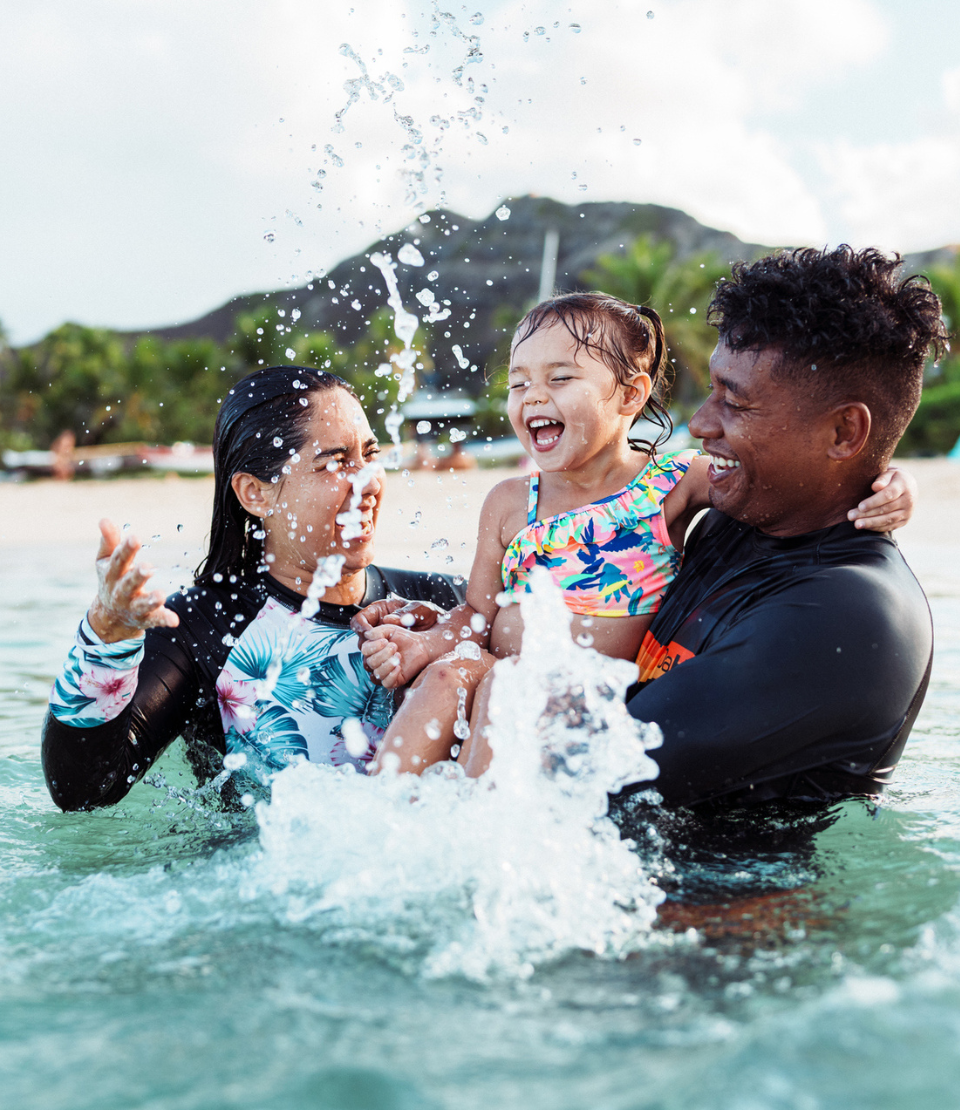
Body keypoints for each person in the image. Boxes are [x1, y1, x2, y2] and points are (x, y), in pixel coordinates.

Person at [356, 292, 913, 776]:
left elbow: (812, 474)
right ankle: (382, 818)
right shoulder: (509, 503)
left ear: (629, 395)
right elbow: (476, 614)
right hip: (503, 665)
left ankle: (473, 834)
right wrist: (425, 645)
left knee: (507, 690)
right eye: (518, 382)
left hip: (593, 691)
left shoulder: (670, 481)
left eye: (561, 378)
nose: (533, 397)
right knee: (446, 678)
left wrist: (890, 485)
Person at [42, 366, 463, 812]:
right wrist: (106, 640)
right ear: (255, 494)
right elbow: (82, 791)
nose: (369, 481)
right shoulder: (202, 628)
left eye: (370, 454)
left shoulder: (442, 603)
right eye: (336, 462)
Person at [615, 246, 945, 808]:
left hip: (710, 895)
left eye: (735, 404)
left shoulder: (849, 615)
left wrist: (472, 671)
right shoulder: (743, 516)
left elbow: (587, 764)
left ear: (843, 433)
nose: (698, 422)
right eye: (712, 389)